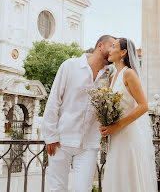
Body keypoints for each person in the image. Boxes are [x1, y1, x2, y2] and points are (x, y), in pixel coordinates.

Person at [41, 35, 116, 192]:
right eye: (112, 45)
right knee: (57, 188)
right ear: (100, 46)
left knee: (84, 189)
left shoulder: (110, 75)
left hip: (89, 143)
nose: (115, 49)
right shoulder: (70, 66)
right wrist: (50, 135)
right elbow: (54, 100)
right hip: (61, 140)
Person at [100, 38, 157, 192]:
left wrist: (116, 126)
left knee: (128, 178)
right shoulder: (114, 76)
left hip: (127, 135)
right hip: (115, 137)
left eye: (113, 47)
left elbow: (143, 106)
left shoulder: (129, 74)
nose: (109, 50)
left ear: (123, 52)